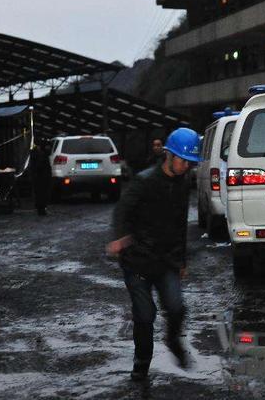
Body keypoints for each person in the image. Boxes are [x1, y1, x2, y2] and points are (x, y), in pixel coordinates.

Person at [107, 128, 201, 382]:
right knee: (145, 314)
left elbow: (181, 223)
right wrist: (119, 237)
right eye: (182, 160)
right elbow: (122, 211)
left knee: (176, 307)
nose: (185, 166)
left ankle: (173, 341)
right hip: (137, 260)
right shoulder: (144, 181)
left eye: (189, 163)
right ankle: (141, 363)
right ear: (169, 155)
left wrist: (181, 260)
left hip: (166, 260)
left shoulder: (183, 184)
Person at [30, 139, 52, 216]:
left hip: (40, 177)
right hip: (42, 177)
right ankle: (42, 209)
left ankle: (41, 208)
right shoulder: (41, 154)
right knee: (42, 193)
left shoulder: (37, 153)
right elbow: (39, 166)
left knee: (40, 193)